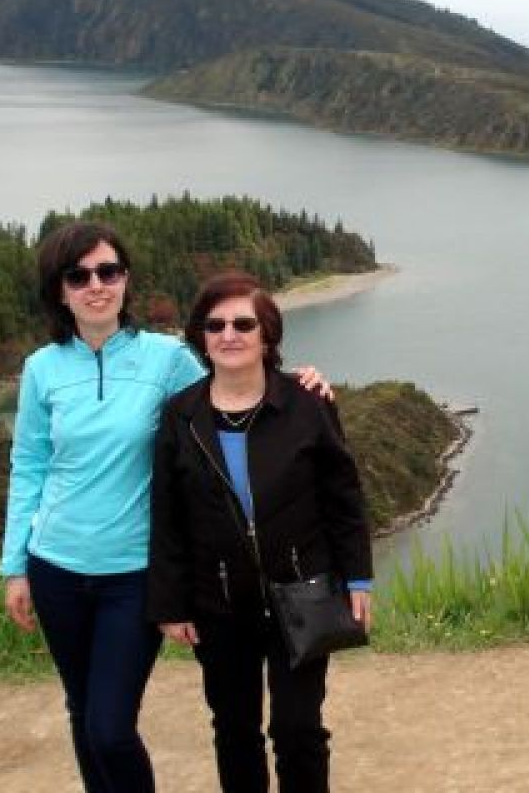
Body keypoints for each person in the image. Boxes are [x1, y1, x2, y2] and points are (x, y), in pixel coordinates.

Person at [0, 222, 329, 793]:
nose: (96, 285)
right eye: (79, 275)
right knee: (83, 712)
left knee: (109, 727)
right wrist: (16, 565)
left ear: (126, 280)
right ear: (60, 290)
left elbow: (240, 384)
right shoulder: (41, 370)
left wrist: (302, 383)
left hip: (132, 571)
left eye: (109, 271)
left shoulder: (166, 360)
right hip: (54, 565)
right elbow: (28, 467)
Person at [147, 270, 373, 793]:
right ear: (200, 337)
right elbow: (169, 515)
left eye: (243, 324)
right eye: (215, 324)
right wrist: (171, 604)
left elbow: (343, 498)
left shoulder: (308, 403)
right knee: (234, 730)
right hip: (218, 603)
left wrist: (357, 581)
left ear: (267, 335)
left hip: (303, 594)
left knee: (298, 730)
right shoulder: (181, 416)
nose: (229, 334)